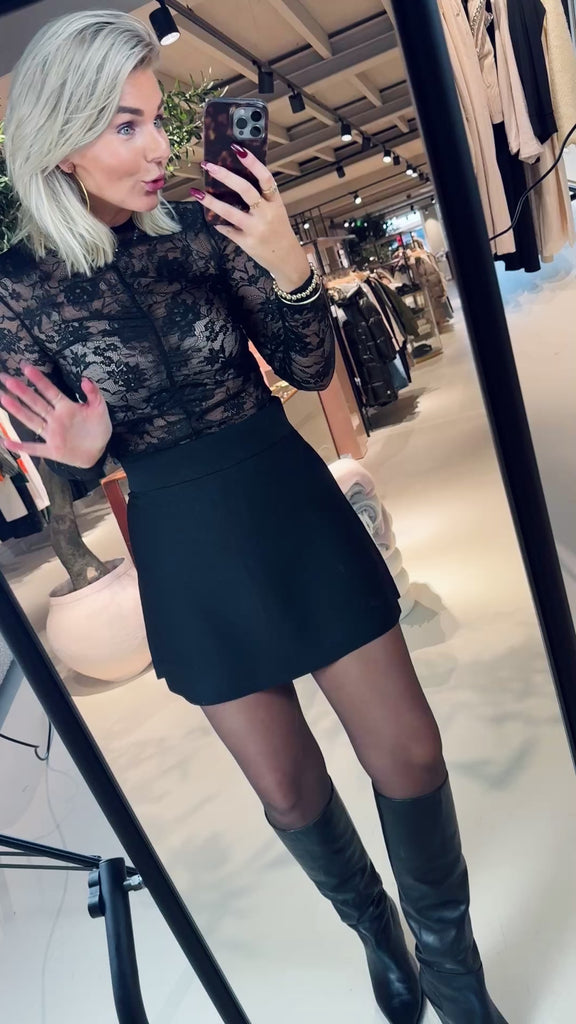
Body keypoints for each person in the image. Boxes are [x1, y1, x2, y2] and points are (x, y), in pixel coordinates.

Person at [0, 12, 507, 1024]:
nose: (159, 147)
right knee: (287, 792)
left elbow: (311, 365)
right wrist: (85, 457)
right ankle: (380, 936)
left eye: (157, 119)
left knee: (409, 752)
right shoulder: (17, 291)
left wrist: (288, 264)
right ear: (60, 141)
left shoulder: (202, 229)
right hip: (183, 542)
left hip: (285, 499)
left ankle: (454, 974)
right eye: (127, 126)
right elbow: (56, 449)